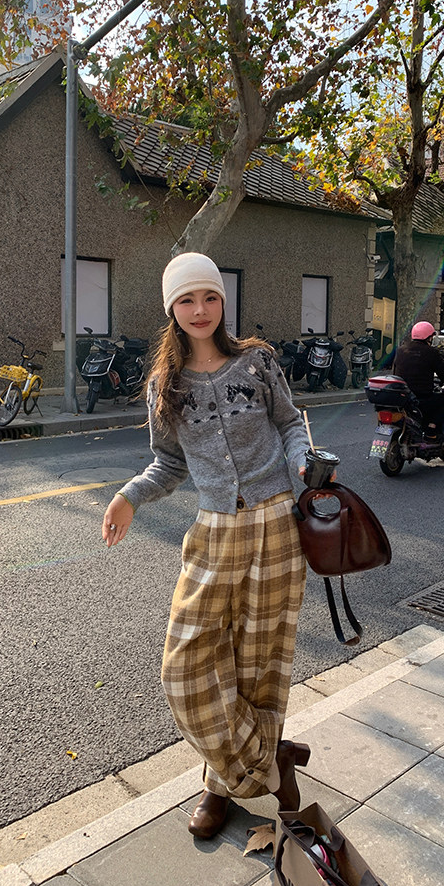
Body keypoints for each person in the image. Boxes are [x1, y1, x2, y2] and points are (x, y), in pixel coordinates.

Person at [102, 252, 312, 840]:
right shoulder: (164, 385)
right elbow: (169, 464)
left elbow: (289, 423)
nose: (200, 309)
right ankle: (270, 761)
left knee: (259, 662)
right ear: (172, 308)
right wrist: (129, 496)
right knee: (186, 667)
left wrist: (303, 462)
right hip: (215, 530)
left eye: (210, 297)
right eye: (187, 300)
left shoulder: (257, 361)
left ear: (223, 301)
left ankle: (218, 786)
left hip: (276, 525)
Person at [393, 321, 444, 439]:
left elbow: (395, 372)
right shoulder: (431, 352)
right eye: (432, 337)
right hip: (421, 396)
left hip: (402, 394)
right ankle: (431, 429)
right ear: (428, 337)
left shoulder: (401, 350)